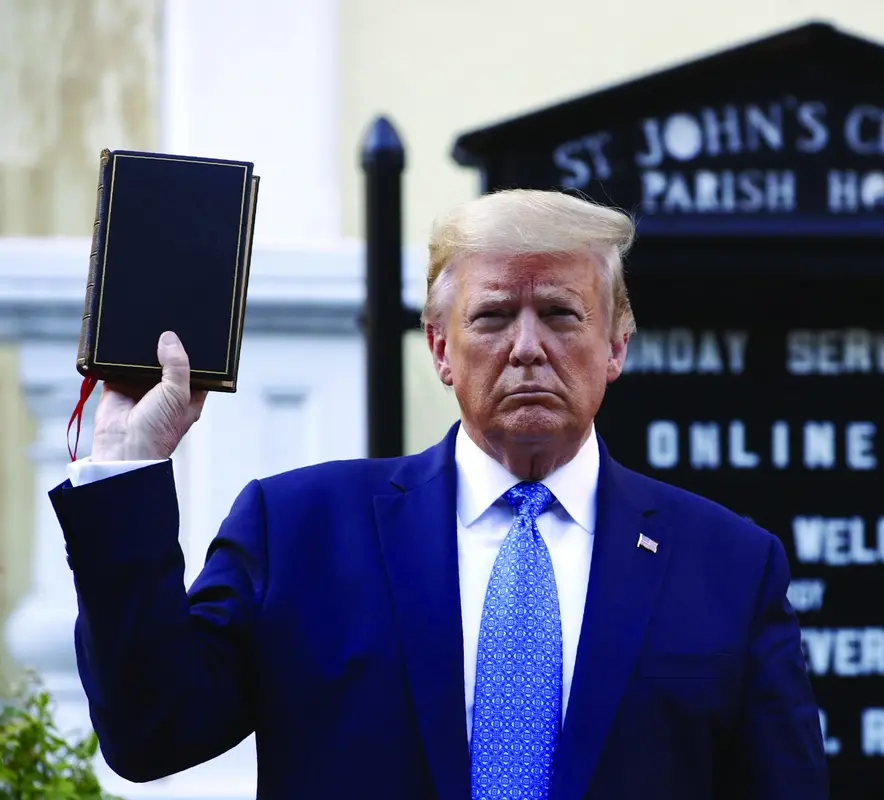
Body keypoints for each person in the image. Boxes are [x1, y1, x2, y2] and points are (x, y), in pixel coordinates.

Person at [49, 189, 828, 799]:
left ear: (616, 344)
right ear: (440, 347)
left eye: (560, 313)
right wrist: (129, 467)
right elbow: (152, 732)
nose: (528, 347)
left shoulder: (727, 565)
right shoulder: (300, 532)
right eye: (493, 316)